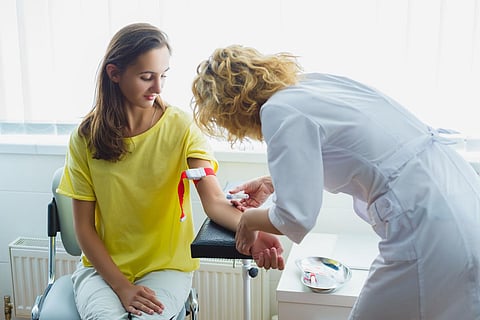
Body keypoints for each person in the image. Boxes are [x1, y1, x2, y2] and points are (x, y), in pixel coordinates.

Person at [191, 44, 480, 319]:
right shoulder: (312, 86)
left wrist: (248, 221)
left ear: (229, 111)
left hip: (427, 226)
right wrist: (272, 182)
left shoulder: (279, 112)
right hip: (458, 193)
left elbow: (296, 218)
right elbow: (355, 151)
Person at [56, 24, 284, 320]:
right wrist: (122, 287)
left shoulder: (180, 127)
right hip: (102, 271)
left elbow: (214, 202)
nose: (158, 88)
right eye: (146, 77)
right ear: (114, 74)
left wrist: (253, 230)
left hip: (166, 268)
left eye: (163, 76)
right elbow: (83, 230)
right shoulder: (85, 138)